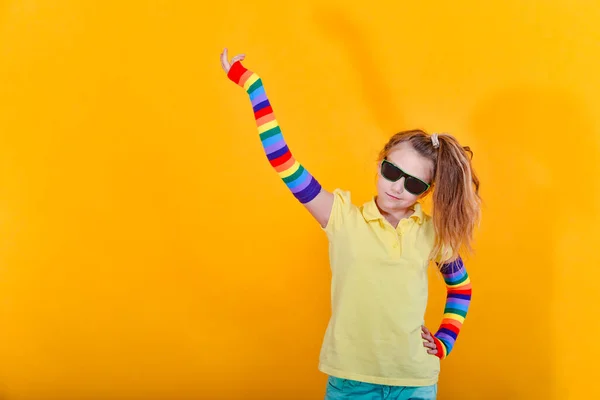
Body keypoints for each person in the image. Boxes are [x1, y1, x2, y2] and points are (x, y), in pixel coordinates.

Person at [220, 48, 480, 400]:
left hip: (415, 380)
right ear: (379, 165)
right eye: (391, 171)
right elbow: (284, 163)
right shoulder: (340, 217)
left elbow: (461, 288)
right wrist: (252, 84)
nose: (397, 187)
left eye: (414, 183)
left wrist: (443, 341)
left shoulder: (432, 233)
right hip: (351, 380)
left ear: (426, 191)